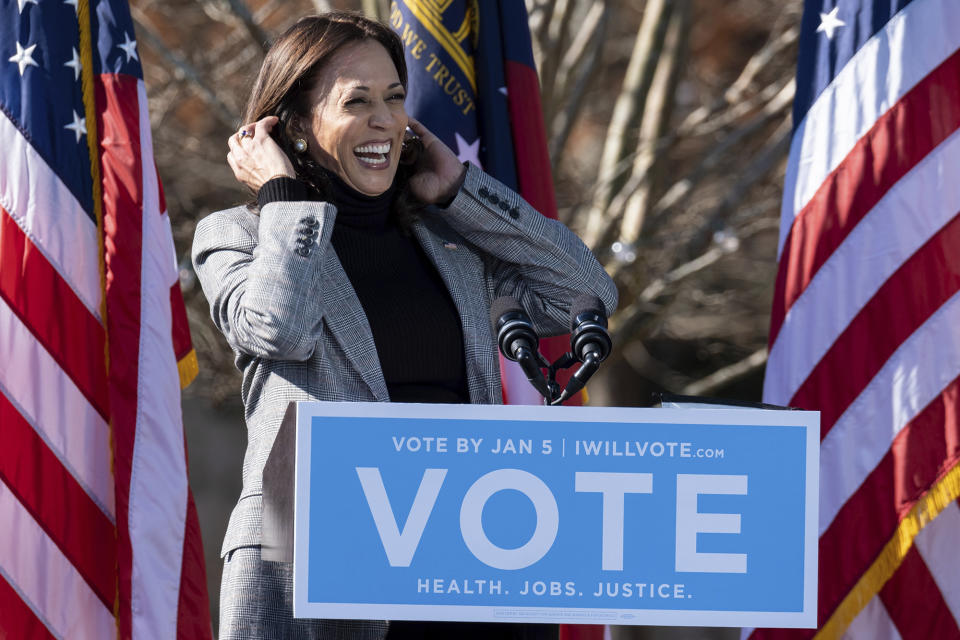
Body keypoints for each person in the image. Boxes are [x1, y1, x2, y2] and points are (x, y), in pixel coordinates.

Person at [192, 11, 617, 640]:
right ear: (295, 127)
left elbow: (584, 290)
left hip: (463, 554)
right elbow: (281, 329)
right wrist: (283, 196)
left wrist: (457, 190)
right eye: (356, 101)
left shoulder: (451, 241)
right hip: (315, 560)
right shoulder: (239, 236)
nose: (385, 120)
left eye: (394, 97)